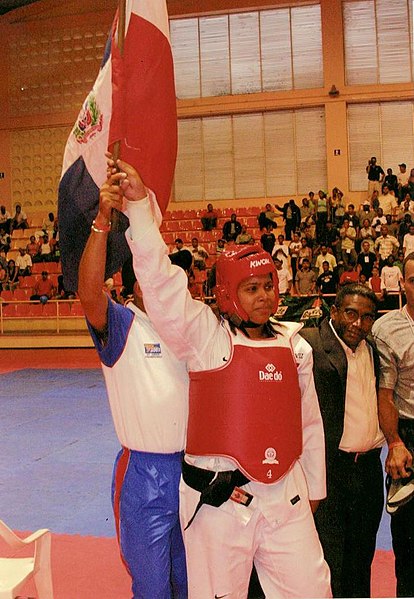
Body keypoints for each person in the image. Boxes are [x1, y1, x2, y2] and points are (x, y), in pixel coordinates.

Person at [104, 156, 331, 599]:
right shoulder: (206, 339)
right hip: (221, 503)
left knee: (311, 589)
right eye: (252, 287)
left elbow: (309, 425)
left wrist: (314, 488)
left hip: (285, 496)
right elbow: (163, 284)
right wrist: (137, 210)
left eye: (269, 284)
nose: (264, 295)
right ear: (227, 293)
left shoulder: (294, 346)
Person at [77, 182, 189, 599]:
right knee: (153, 589)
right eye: (151, 277)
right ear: (134, 286)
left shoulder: (190, 329)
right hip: (146, 476)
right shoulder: (124, 325)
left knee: (192, 584)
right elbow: (89, 293)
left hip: (193, 472)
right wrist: (103, 221)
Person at [301, 284, 384, 598]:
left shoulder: (372, 349)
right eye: (350, 313)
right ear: (333, 311)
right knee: (329, 559)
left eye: (366, 317)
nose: (357, 323)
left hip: (368, 470)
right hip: (330, 472)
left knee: (362, 558)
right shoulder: (310, 345)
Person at [372, 252, 414, 597]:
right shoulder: (387, 329)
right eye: (413, 280)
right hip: (409, 435)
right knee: (408, 537)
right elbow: (384, 395)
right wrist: (395, 442)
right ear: (402, 284)